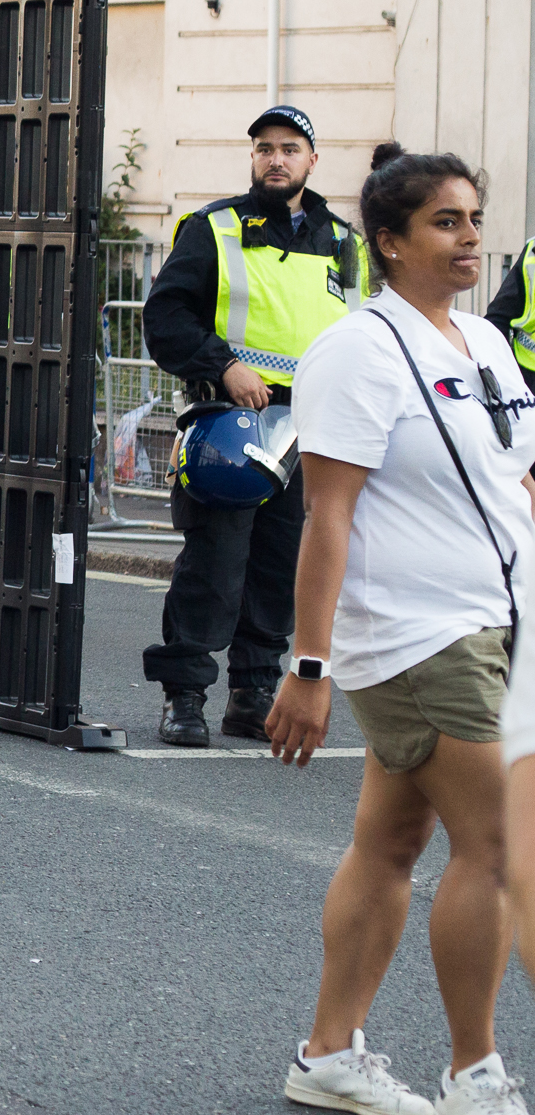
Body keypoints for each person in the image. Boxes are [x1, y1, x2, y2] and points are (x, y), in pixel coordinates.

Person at [271, 145, 529, 1115]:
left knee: (388, 841)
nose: (468, 238)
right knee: (499, 847)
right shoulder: (356, 350)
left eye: (471, 217)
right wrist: (307, 663)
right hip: (419, 633)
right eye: (444, 221)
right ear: (388, 239)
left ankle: (325, 1052)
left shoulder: (486, 344)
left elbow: (513, 480)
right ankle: (474, 1073)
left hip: (497, 619)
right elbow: (325, 515)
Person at [143, 105, 365, 746]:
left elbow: (365, 336)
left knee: (281, 565)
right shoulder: (214, 228)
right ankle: (184, 695)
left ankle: (253, 691)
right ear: (253, 158)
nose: (276, 158)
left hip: (313, 430)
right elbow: (168, 318)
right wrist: (225, 365)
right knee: (214, 560)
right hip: (231, 418)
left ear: (312, 161)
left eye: (290, 148)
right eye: (265, 148)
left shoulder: (346, 245)